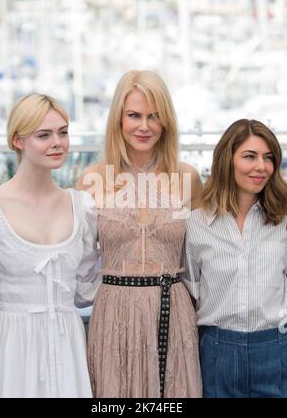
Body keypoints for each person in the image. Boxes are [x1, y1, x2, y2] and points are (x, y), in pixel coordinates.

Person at [76, 70, 203, 398]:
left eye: (154, 116)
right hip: (113, 313)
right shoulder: (92, 179)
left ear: (166, 123)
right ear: (118, 118)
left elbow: (204, 255)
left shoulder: (187, 178)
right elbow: (74, 256)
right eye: (134, 115)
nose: (144, 126)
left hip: (172, 311)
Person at [0, 94, 100, 398]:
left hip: (67, 344)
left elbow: (86, 288)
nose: (58, 142)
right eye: (44, 135)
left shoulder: (82, 207)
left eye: (63, 132)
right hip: (10, 346)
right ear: (18, 141)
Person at [185, 119, 287, 398]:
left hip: (275, 348)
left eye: (268, 158)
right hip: (218, 351)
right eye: (250, 156)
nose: (261, 167)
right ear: (226, 161)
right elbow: (191, 292)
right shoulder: (197, 223)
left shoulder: (284, 219)